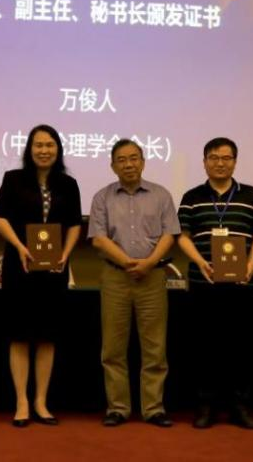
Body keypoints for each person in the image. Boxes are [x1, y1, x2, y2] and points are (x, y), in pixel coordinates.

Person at [176, 137, 253, 429]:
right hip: (203, 282)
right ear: (204, 161)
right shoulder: (192, 196)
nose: (220, 163)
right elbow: (182, 236)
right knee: (205, 346)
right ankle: (205, 406)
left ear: (235, 161)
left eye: (226, 158)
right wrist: (200, 261)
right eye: (214, 158)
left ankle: (239, 406)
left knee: (240, 346)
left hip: (241, 283)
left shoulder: (252, 195)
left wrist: (250, 264)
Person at [0, 124, 82, 427]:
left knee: (47, 336)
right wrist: (19, 246)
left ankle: (41, 402)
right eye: (39, 145)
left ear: (58, 149)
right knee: (19, 335)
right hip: (21, 266)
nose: (44, 150)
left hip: (54, 268)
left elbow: (74, 224)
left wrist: (65, 253)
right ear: (29, 149)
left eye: (50, 145)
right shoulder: (13, 179)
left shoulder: (68, 184)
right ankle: (21, 401)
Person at [89, 139, 180, 428]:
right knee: (113, 348)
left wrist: (149, 262)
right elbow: (98, 238)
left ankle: (153, 408)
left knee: (155, 347)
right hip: (115, 276)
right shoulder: (102, 197)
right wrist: (129, 262)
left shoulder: (161, 195)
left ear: (143, 162)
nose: (128, 164)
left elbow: (170, 234)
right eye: (122, 160)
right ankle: (118, 408)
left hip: (152, 277)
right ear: (112, 165)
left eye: (133, 158)